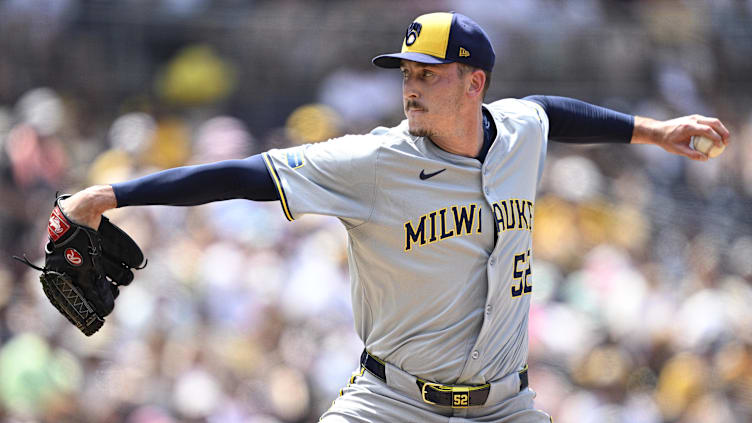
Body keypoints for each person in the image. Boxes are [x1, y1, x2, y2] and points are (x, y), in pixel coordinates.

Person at [59, 11, 729, 423]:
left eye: (428, 73)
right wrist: (111, 195)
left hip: (504, 406)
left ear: (475, 83)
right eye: (405, 72)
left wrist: (654, 129)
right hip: (391, 403)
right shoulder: (374, 161)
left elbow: (553, 109)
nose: (409, 84)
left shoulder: (520, 129)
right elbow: (246, 175)